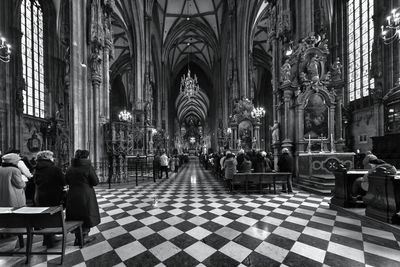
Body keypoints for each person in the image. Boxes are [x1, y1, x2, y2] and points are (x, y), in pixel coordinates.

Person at [65, 149, 100, 245]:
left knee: (75, 214)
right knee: (86, 214)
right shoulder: (88, 167)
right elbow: (95, 182)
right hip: (86, 195)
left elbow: (66, 181)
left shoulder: (70, 168)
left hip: (72, 195)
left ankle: (77, 237)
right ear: (86, 157)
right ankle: (83, 237)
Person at [33, 150, 66, 248]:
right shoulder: (54, 168)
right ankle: (51, 239)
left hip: (40, 196)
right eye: (52, 156)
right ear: (48, 158)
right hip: (53, 195)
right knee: (54, 216)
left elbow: (35, 181)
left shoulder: (36, 169)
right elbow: (63, 181)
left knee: (44, 217)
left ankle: (47, 238)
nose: (53, 158)